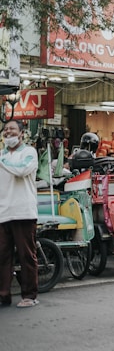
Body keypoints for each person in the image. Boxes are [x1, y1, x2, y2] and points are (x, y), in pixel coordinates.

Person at [0, 120, 40, 308]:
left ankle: (29, 295)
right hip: (3, 212)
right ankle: (3, 294)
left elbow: (21, 171)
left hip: (23, 212)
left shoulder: (29, 153)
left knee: (26, 255)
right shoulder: (1, 155)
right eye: (6, 129)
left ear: (21, 133)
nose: (8, 132)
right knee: (2, 256)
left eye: (12, 129)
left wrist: (1, 161)